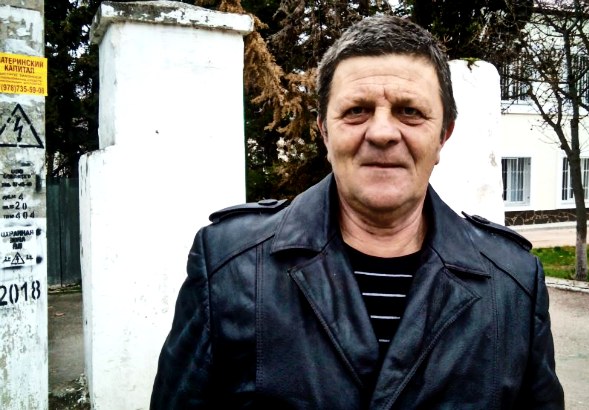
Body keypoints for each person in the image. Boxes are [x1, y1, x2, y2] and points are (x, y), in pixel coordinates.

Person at [151, 14, 564, 409]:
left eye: (409, 111)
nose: (382, 133)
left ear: (443, 136)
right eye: (356, 110)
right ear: (324, 131)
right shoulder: (229, 266)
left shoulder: (513, 284)